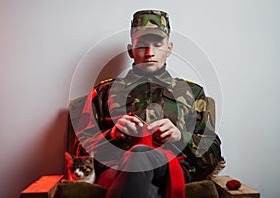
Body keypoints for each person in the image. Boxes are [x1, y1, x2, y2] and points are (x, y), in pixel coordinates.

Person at [74, 10, 225, 198]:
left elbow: (213, 153)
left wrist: (180, 136)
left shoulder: (191, 93)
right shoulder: (104, 92)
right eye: (142, 46)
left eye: (158, 45)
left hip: (171, 169)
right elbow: (79, 151)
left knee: (140, 153)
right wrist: (112, 134)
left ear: (169, 48)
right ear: (131, 50)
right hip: (117, 169)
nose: (149, 53)